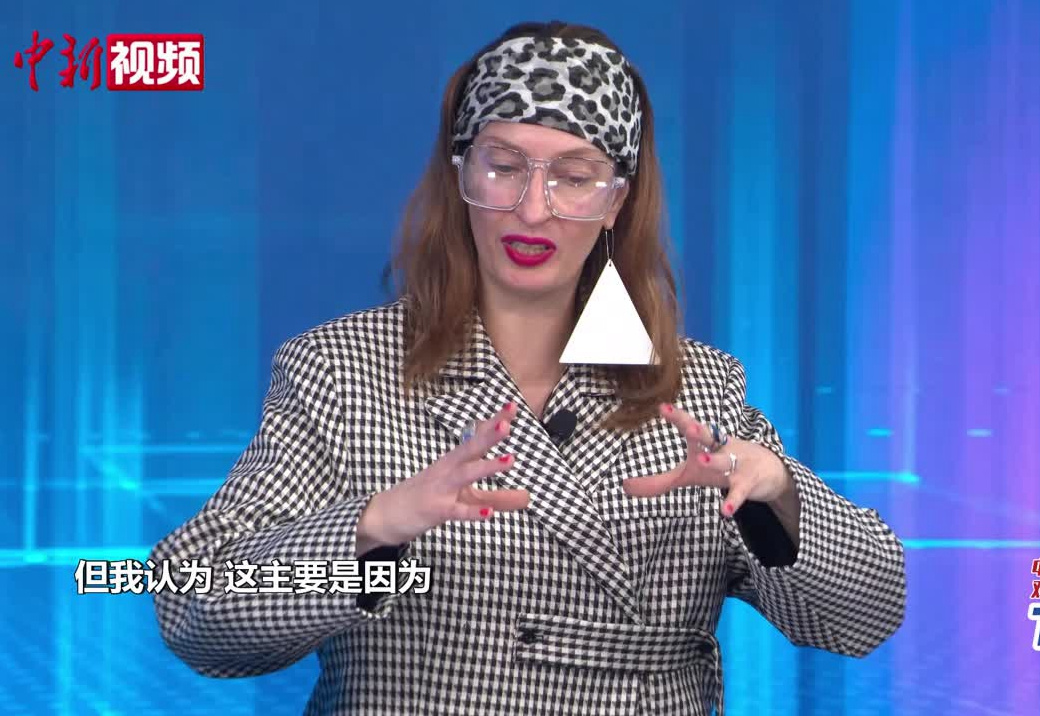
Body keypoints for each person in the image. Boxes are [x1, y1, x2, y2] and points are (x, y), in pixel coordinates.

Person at [147, 20, 906, 716]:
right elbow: (194, 611)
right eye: (505, 166)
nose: (534, 209)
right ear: (461, 175)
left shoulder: (699, 388)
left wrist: (778, 490)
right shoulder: (343, 371)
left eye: (573, 176)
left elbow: (866, 615)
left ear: (616, 200)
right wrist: (374, 526)